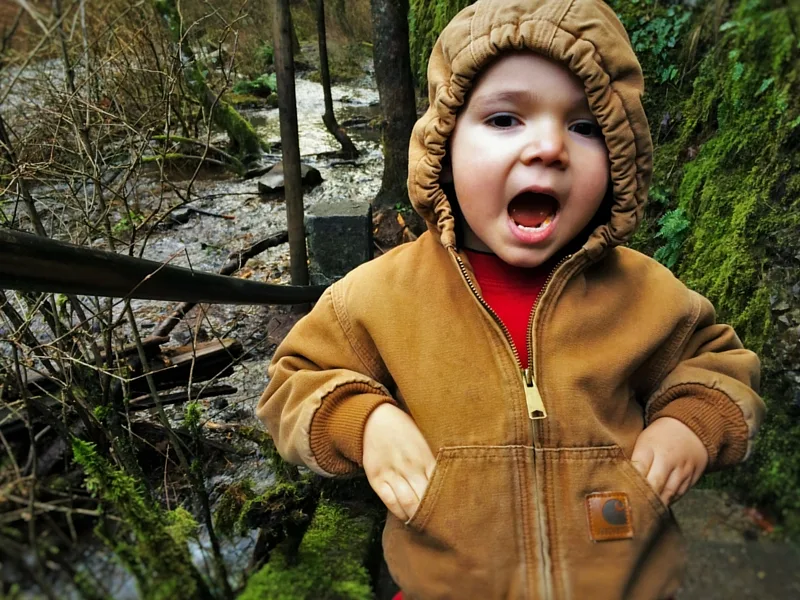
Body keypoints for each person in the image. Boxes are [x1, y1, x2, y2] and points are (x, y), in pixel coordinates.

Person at [257, 0, 765, 598]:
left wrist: (690, 422)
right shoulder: (377, 296)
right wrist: (365, 421)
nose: (550, 147)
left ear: (620, 158)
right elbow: (292, 381)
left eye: (585, 126)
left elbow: (719, 364)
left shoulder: (646, 293)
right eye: (504, 120)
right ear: (442, 145)